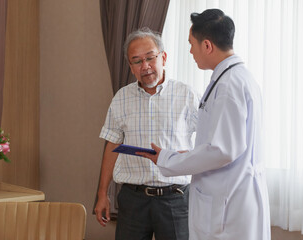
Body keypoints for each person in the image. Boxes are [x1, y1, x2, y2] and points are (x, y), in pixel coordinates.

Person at [139, 9, 271, 240]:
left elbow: (222, 151)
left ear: (207, 45)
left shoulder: (229, 85)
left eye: (192, 44)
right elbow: (224, 144)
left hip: (227, 207)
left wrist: (169, 159)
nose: (190, 51)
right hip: (233, 197)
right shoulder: (235, 78)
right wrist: (184, 155)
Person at [94, 27, 200, 240]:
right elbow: (112, 145)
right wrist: (102, 194)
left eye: (150, 58)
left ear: (164, 57)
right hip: (133, 200)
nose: (146, 66)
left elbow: (210, 143)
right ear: (130, 66)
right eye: (137, 61)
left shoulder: (187, 95)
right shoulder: (121, 98)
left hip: (176, 198)